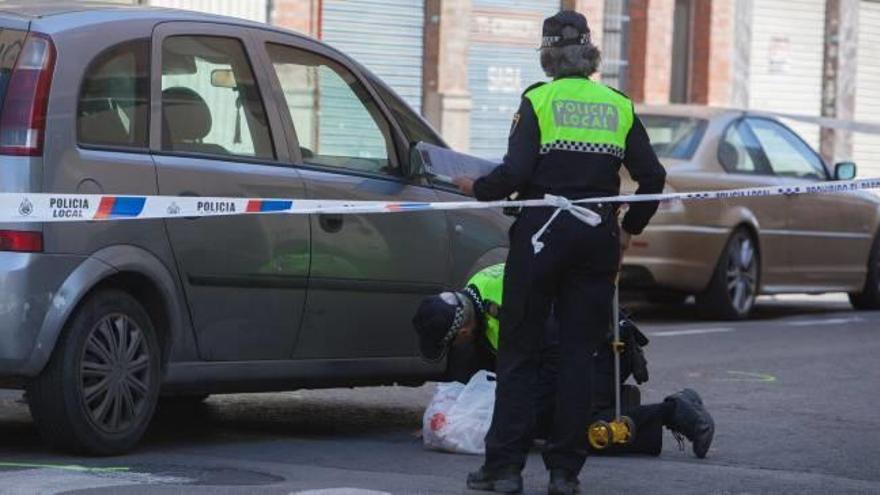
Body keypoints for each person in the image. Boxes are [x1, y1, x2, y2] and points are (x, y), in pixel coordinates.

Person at [451, 10, 667, 494]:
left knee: (520, 351)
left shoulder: (539, 100)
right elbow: (652, 177)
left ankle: (504, 469)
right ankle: (565, 473)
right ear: (590, 53)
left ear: (548, 55)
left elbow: (514, 175)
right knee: (577, 355)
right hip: (595, 241)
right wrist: (630, 226)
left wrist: (475, 186)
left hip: (541, 237)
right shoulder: (618, 104)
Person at [412, 263, 715, 461]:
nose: (455, 348)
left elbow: (557, 364)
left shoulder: (510, 306)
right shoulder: (475, 295)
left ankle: (674, 410)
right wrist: (451, 419)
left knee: (572, 432)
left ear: (463, 329)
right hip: (572, 350)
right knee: (538, 420)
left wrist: (524, 420)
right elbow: (479, 370)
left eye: (452, 341)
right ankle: (614, 405)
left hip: (602, 350)